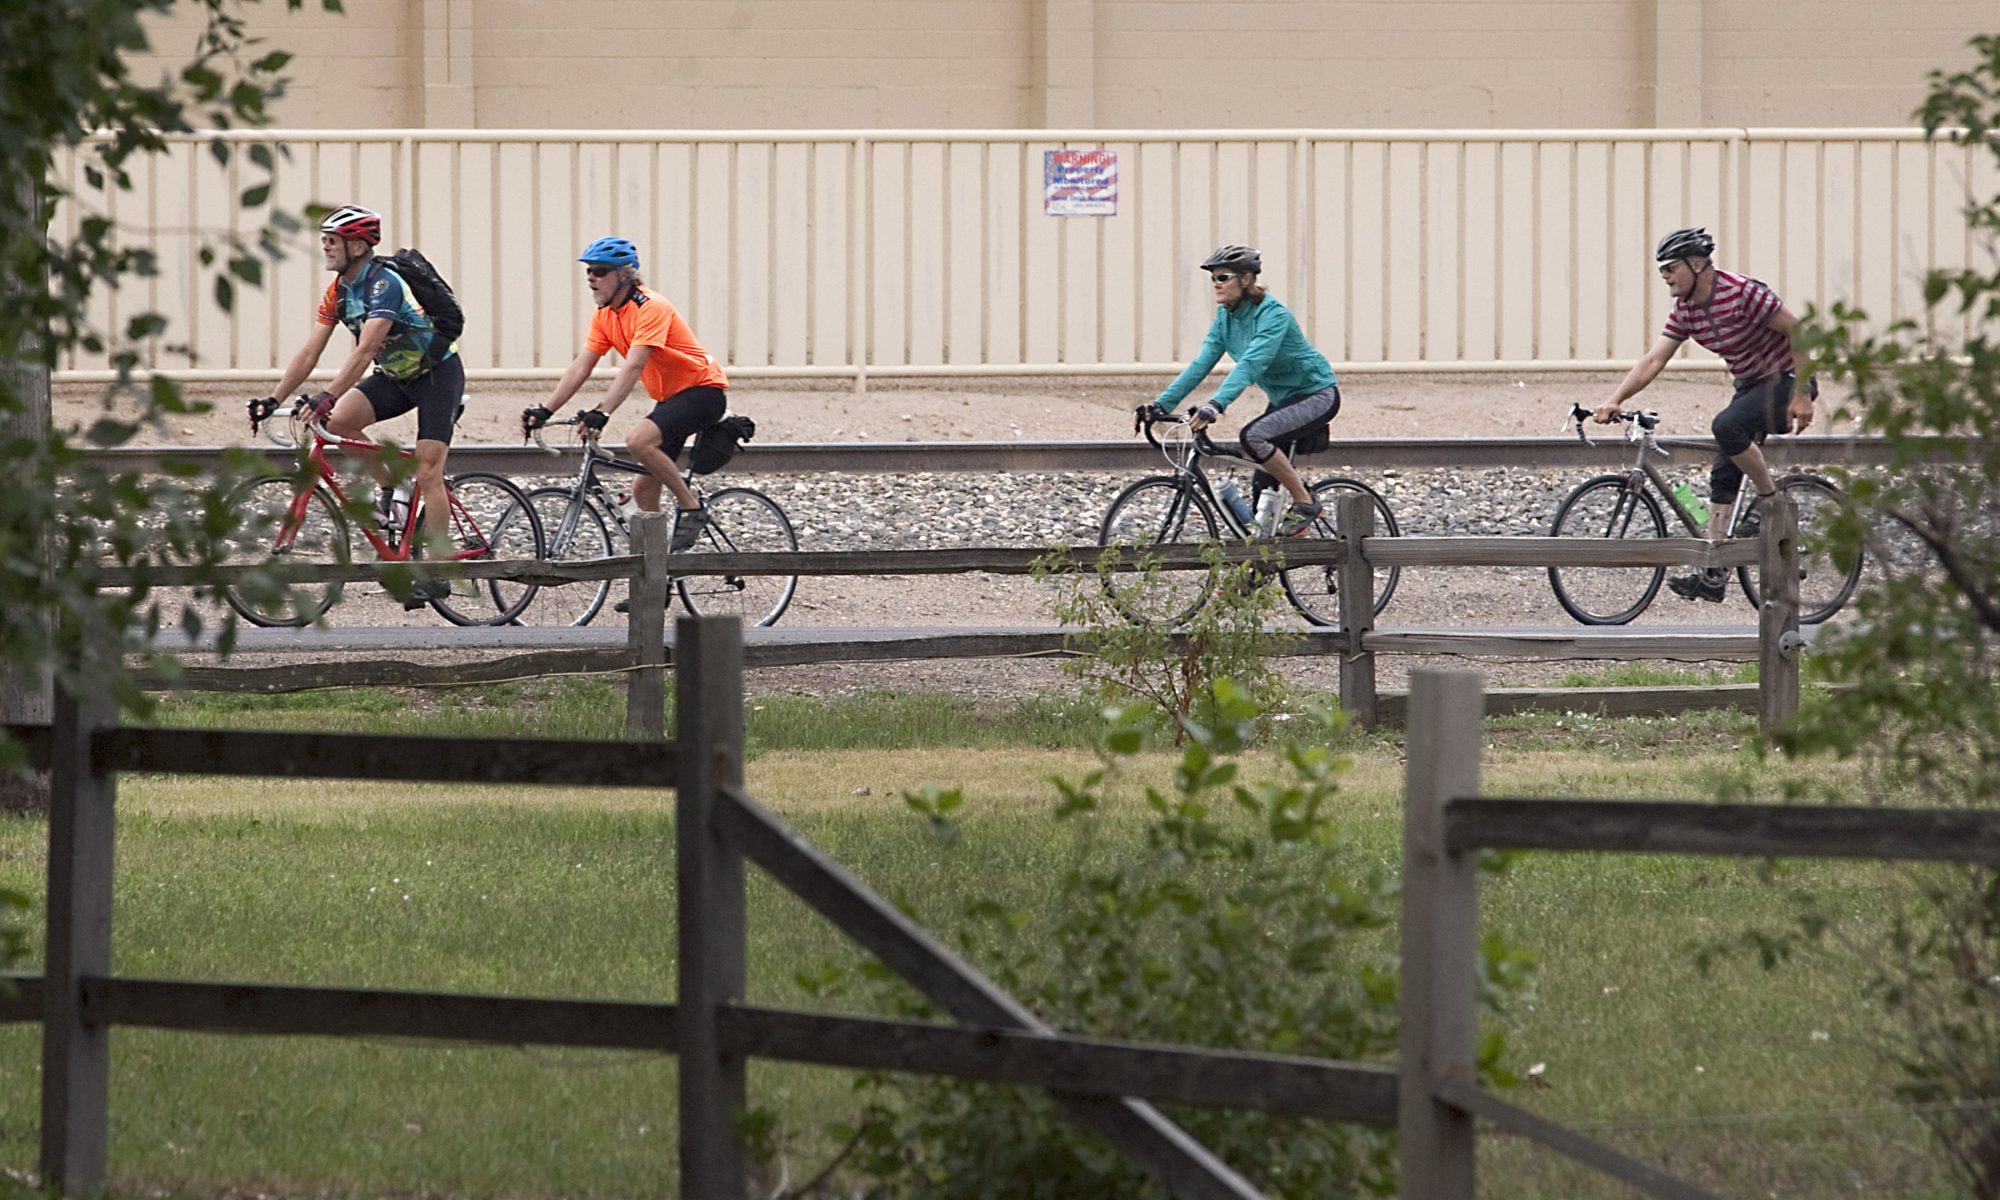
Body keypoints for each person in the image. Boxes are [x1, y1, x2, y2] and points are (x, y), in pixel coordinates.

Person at [249, 203, 464, 607]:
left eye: (333, 241)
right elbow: (310, 351)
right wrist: (273, 398)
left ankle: (439, 568)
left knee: (428, 468)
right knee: (342, 421)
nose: (326, 248)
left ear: (359, 245)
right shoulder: (339, 290)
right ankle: (392, 487)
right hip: (398, 376)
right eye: (324, 240)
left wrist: (327, 394)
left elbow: (365, 351)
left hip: (437, 375)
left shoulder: (384, 284)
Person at [1593, 226, 1817, 602]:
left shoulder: (1742, 293)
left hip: (1786, 382)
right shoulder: (1686, 311)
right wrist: (1614, 399)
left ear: (1697, 265)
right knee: (1723, 472)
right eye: (1661, 269)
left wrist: (1803, 395)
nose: (1664, 275)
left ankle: (1770, 504)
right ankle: (1713, 573)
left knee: (1725, 426)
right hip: (1750, 387)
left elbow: (1800, 332)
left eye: (1670, 268)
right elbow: (1654, 360)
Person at [520, 236, 726, 568]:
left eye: (599, 271)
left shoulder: (651, 307)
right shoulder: (605, 316)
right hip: (672, 398)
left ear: (624, 275)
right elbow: (581, 367)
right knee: (644, 491)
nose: (591, 278)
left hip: (703, 390)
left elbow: (634, 365)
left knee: (637, 441)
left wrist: (603, 412)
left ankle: (692, 508)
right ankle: (659, 578)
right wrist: (546, 409)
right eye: (588, 272)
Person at [1139, 244, 1340, 535]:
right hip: (1283, 399)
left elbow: (1250, 365)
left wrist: (1216, 404)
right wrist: (1161, 405)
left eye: (1223, 277)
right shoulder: (1226, 318)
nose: (1216, 285)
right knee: (1262, 484)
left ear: (1246, 279)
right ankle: (1261, 568)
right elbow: (1200, 365)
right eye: (1213, 279)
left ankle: (1304, 500)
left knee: (1253, 436)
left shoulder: (1273, 315)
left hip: (1317, 394)